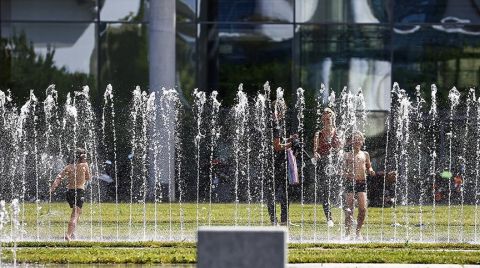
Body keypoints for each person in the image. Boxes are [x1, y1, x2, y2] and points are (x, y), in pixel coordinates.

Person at [50, 148, 91, 241]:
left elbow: (59, 177)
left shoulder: (68, 167)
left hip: (69, 192)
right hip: (79, 191)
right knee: (75, 214)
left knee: (77, 212)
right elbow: (88, 177)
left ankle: (72, 232)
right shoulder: (84, 165)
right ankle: (68, 235)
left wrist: (53, 188)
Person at [266, 99, 296, 226]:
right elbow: (277, 146)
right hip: (275, 164)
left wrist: (290, 139)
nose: (284, 113)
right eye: (283, 110)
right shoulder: (276, 124)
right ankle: (278, 221)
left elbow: (278, 141)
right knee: (279, 192)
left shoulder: (273, 123)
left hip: (273, 163)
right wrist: (291, 144)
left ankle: (280, 220)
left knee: (278, 191)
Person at [312, 107, 342, 227]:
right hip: (323, 163)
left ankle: (346, 214)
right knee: (325, 191)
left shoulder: (338, 132)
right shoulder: (318, 134)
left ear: (332, 118)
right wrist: (316, 153)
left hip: (335, 163)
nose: (327, 119)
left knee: (337, 188)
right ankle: (329, 217)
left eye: (329, 117)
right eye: (324, 117)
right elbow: (315, 149)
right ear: (322, 120)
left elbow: (341, 147)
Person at [342, 131, 375, 240]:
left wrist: (370, 170)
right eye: (354, 139)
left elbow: (369, 166)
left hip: (362, 182)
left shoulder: (365, 154)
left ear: (362, 141)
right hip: (350, 182)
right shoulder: (347, 155)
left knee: (363, 209)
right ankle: (347, 233)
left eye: (359, 139)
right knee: (349, 209)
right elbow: (341, 171)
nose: (357, 141)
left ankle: (358, 232)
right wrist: (347, 174)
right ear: (351, 142)